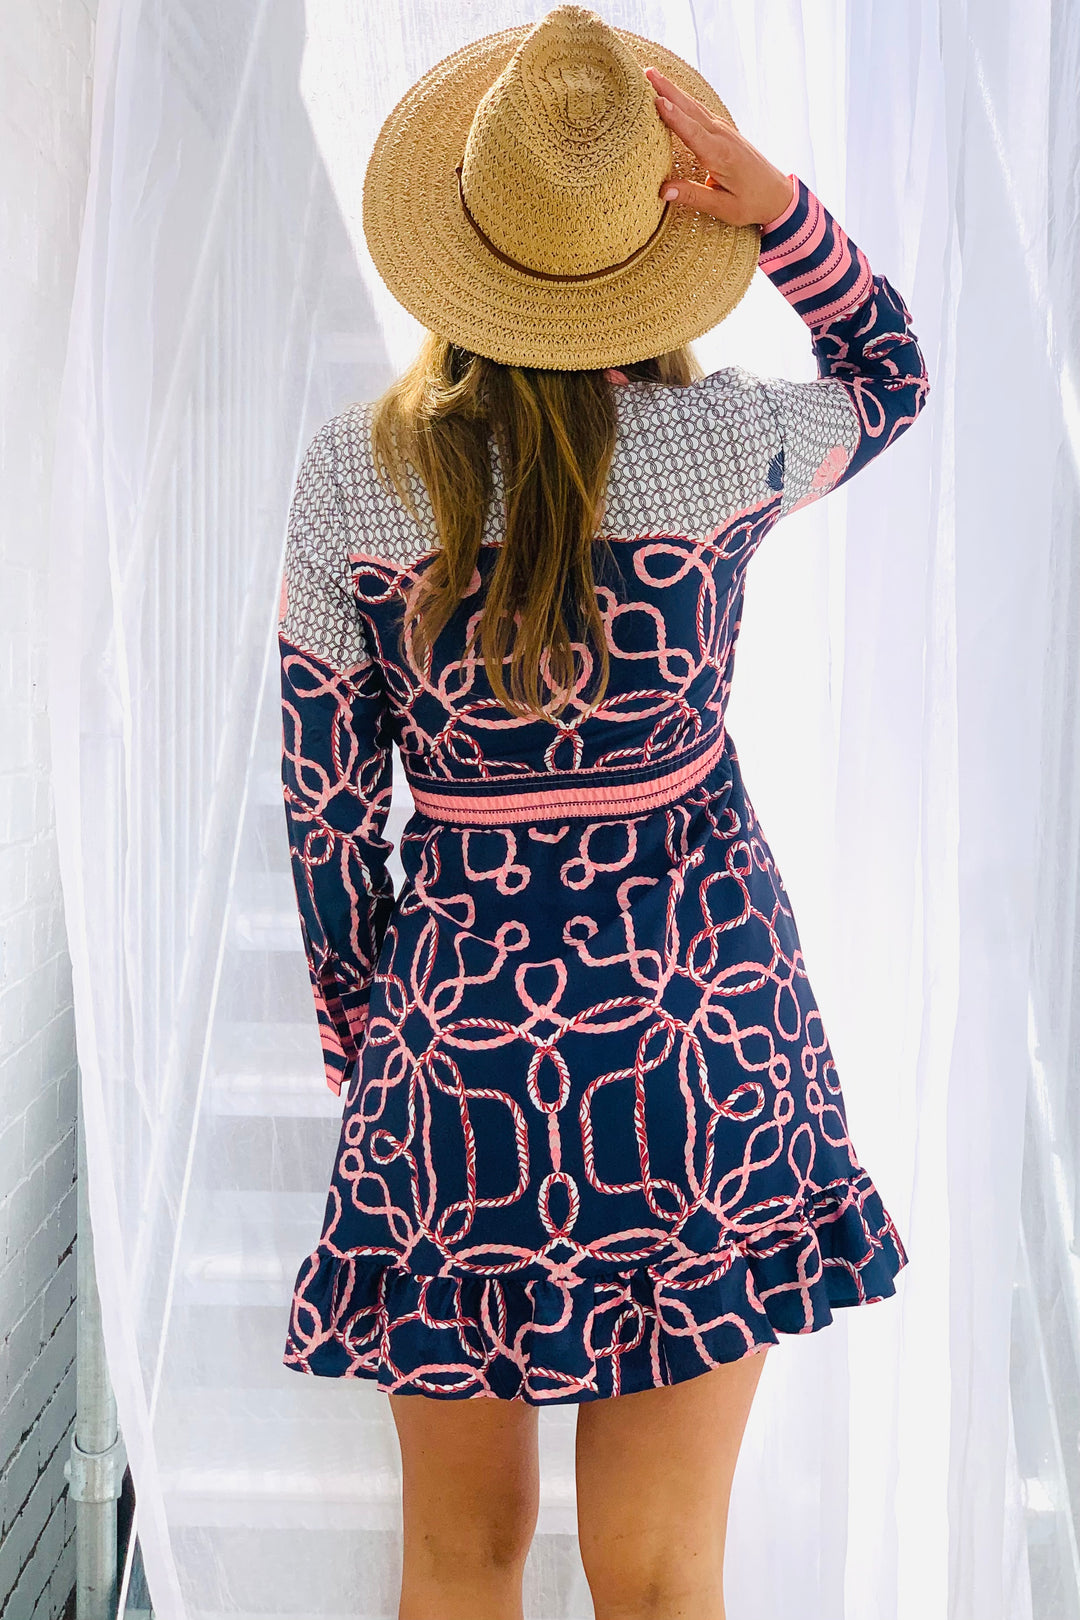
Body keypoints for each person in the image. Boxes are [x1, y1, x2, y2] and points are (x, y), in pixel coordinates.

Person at [276, 7, 930, 1617]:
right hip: (699, 1040)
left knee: (456, 1555)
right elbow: (893, 377)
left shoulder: (359, 476)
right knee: (659, 1575)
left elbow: (322, 801)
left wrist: (375, 1037)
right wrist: (776, 209)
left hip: (461, 1051)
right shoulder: (726, 443)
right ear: (644, 254)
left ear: (463, 245)